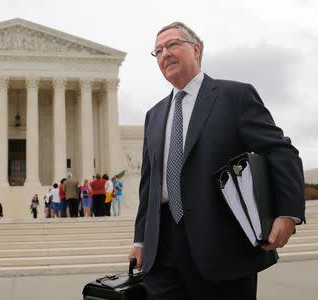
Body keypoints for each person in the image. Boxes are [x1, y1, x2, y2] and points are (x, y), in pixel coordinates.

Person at [129, 22, 305, 300]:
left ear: (195, 49)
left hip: (222, 243)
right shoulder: (154, 114)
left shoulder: (234, 96)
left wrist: (287, 213)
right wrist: (140, 239)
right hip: (162, 248)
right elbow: (149, 183)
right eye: (158, 50)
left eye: (173, 45)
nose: (165, 54)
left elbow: (280, 151)